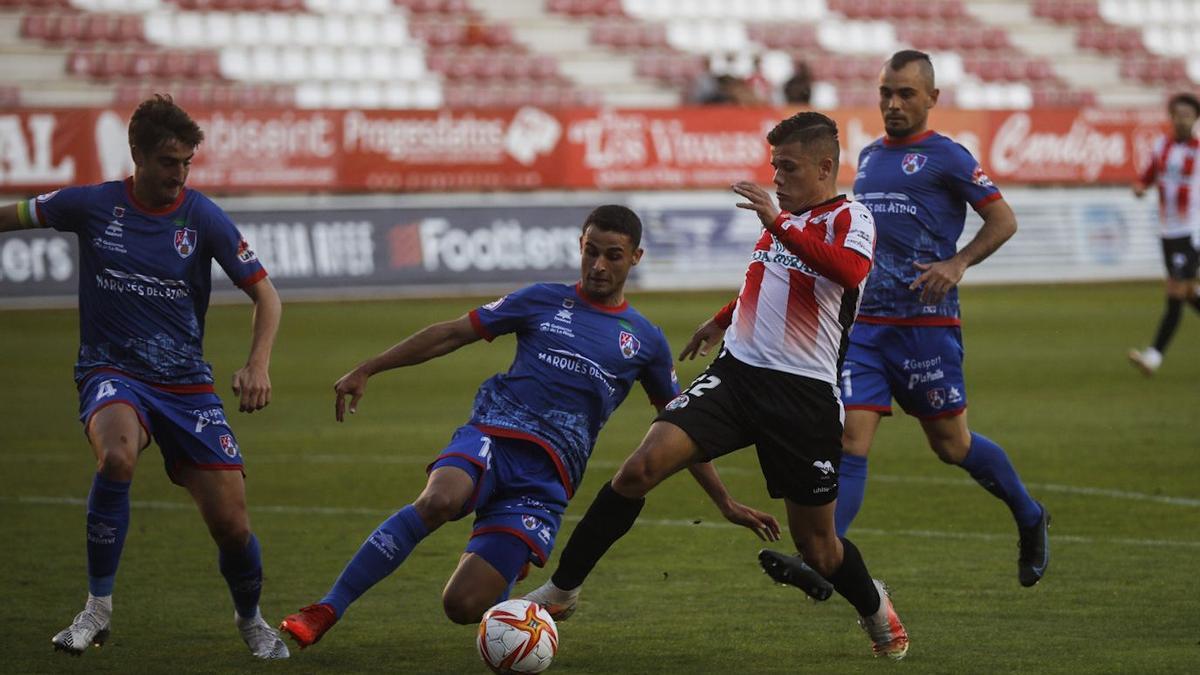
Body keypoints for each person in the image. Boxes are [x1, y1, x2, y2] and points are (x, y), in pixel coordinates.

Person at [277, 205, 778, 648]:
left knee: (463, 607)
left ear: (636, 258)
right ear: (579, 248)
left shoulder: (644, 340)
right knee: (440, 499)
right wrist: (369, 367)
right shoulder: (541, 299)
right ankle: (327, 608)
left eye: (613, 255)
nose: (599, 265)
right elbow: (451, 333)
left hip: (546, 481)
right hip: (494, 435)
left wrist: (724, 501)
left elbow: (679, 427)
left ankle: (507, 580)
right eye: (590, 251)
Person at [525, 113, 912, 660]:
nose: (777, 176)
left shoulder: (851, 218)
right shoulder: (785, 223)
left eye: (789, 167)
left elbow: (847, 273)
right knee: (639, 469)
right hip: (737, 377)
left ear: (825, 167)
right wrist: (722, 319)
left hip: (803, 396)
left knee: (819, 549)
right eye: (774, 166)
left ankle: (874, 604)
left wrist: (778, 221)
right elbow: (769, 278)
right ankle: (563, 591)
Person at [0, 95, 288, 658]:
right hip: (112, 372)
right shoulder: (91, 205)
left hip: (186, 384)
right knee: (117, 457)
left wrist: (258, 363)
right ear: (136, 155)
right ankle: (97, 609)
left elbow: (266, 295)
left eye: (186, 163)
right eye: (168, 162)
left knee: (232, 525)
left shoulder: (201, 215)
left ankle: (251, 620)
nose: (179, 175)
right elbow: (13, 216)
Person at [763, 51, 1049, 590]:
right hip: (867, 326)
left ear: (932, 99)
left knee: (952, 447)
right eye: (886, 93)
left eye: (906, 94)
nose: (893, 103)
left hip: (926, 326)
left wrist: (958, 262)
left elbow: (1003, 219)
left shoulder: (949, 157)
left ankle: (1030, 514)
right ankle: (827, 560)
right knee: (850, 440)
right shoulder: (869, 157)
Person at [1128, 92, 1200, 375]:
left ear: (1195, 118)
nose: (1181, 119)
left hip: (1192, 230)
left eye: (1187, 115)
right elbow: (1147, 176)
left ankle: (1154, 356)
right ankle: (1154, 355)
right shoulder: (1161, 147)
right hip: (1168, 232)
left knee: (1175, 291)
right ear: (1171, 116)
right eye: (1177, 114)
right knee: (1185, 293)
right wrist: (1139, 187)